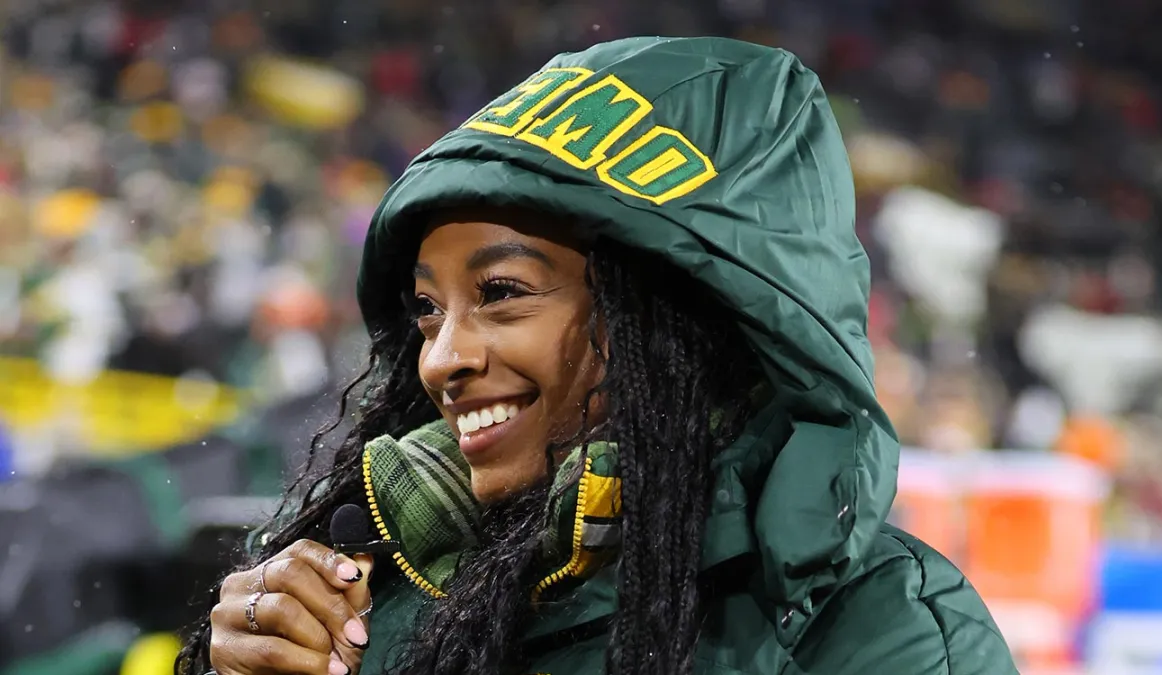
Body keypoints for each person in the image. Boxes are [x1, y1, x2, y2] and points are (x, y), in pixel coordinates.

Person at [178, 36, 1017, 675]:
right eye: (428, 310)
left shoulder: (884, 629)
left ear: (677, 316)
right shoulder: (368, 599)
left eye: (502, 292)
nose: (440, 360)